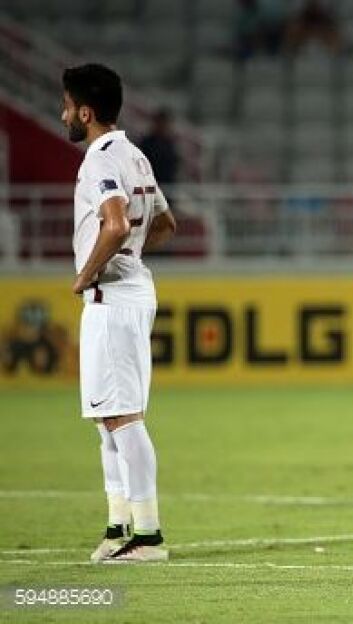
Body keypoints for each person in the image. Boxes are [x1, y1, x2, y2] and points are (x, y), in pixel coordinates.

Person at [61, 63, 177, 562]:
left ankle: (147, 537)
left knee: (124, 418)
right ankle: (117, 527)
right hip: (130, 293)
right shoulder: (135, 155)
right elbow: (167, 224)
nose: (63, 115)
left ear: (85, 112)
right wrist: (130, 255)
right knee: (109, 417)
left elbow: (113, 224)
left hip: (112, 298)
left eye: (67, 106)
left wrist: (86, 274)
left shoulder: (100, 160)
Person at [138, 108, 179, 186]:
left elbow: (174, 165)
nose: (162, 126)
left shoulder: (170, 143)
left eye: (164, 123)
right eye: (159, 123)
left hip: (167, 185)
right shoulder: (146, 143)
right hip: (150, 184)